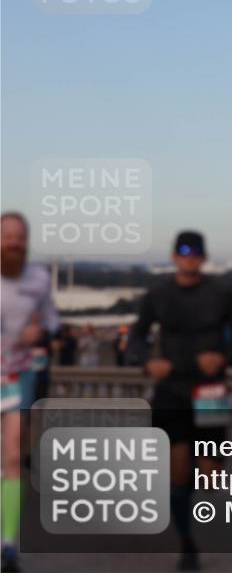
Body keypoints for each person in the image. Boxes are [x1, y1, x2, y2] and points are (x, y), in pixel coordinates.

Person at [126, 230, 232, 571]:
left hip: (210, 388)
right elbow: (137, 333)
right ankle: (187, 543)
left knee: (210, 480)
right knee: (179, 477)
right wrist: (146, 361)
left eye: (195, 253)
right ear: (174, 256)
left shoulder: (221, 293)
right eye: (183, 252)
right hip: (171, 389)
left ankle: (201, 466)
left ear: (203, 258)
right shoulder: (158, 293)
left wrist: (224, 356)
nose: (189, 257)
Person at [1, 212, 60, 573]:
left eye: (20, 237)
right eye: (7, 235)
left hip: (17, 372)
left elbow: (53, 318)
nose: (13, 242)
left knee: (12, 455)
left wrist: (43, 331)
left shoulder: (39, 278)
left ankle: (7, 545)